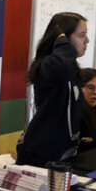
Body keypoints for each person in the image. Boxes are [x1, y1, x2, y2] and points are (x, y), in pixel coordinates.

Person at [15, 12, 88, 166]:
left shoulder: (71, 69)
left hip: (62, 151)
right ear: (64, 39)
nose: (86, 41)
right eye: (81, 35)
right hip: (40, 153)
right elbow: (60, 65)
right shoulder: (49, 65)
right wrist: (62, 42)